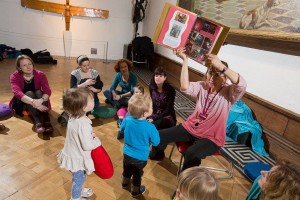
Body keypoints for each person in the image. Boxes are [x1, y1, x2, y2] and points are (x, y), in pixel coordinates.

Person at [150, 47, 247, 173]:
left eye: (217, 74)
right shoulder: (203, 86)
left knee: (191, 154)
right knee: (157, 135)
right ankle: (158, 154)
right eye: (210, 73)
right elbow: (185, 87)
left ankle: (185, 185)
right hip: (191, 128)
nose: (212, 78)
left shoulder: (229, 93)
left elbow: (242, 84)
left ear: (225, 78)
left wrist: (222, 67)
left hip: (212, 137)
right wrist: (185, 60)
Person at [57, 87, 101, 200]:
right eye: (91, 99)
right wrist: (97, 141)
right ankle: (75, 197)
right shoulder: (84, 124)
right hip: (77, 158)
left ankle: (79, 191)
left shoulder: (73, 116)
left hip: (71, 155)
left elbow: (79, 136)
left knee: (78, 177)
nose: (94, 100)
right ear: (83, 107)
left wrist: (89, 135)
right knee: (79, 179)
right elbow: (87, 145)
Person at [120, 94, 160, 197]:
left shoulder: (127, 119)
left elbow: (121, 130)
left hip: (127, 154)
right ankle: (135, 191)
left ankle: (124, 183)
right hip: (140, 158)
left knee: (127, 170)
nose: (152, 108)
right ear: (145, 113)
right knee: (137, 175)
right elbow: (156, 142)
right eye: (151, 107)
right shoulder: (150, 127)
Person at [9, 55, 53, 133]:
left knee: (39, 92)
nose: (28, 67)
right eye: (24, 65)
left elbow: (47, 91)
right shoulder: (14, 76)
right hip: (24, 102)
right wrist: (34, 102)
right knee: (29, 93)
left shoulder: (40, 74)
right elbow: (17, 93)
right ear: (19, 68)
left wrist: (41, 100)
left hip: (39, 100)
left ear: (33, 64)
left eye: (29, 64)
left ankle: (46, 119)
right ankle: (37, 121)